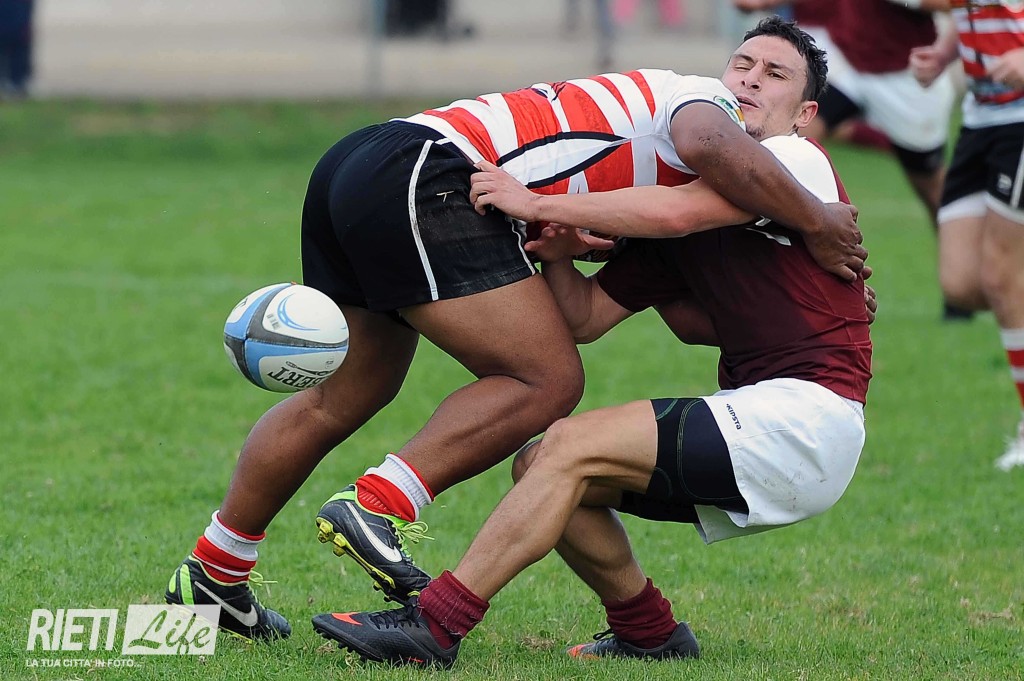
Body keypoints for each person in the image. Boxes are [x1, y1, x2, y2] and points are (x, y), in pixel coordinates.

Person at [163, 15, 868, 642]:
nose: (748, 79)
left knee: (350, 394)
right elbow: (704, 160)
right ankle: (379, 508)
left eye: (774, 73)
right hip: (430, 169)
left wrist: (555, 243)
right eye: (742, 63)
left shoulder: (785, 161)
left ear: (806, 114)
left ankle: (215, 573)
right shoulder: (710, 113)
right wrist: (818, 222)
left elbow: (611, 304)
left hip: (368, 162)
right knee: (547, 383)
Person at [737, 0, 966, 320]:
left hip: (906, 76)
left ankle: (960, 291)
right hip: (844, 61)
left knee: (933, 190)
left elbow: (951, 5)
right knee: (785, 149)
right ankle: (782, 280)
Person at [910, 1, 1024, 469]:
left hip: (1019, 119)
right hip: (979, 118)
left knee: (1001, 277)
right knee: (961, 283)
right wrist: (944, 53)